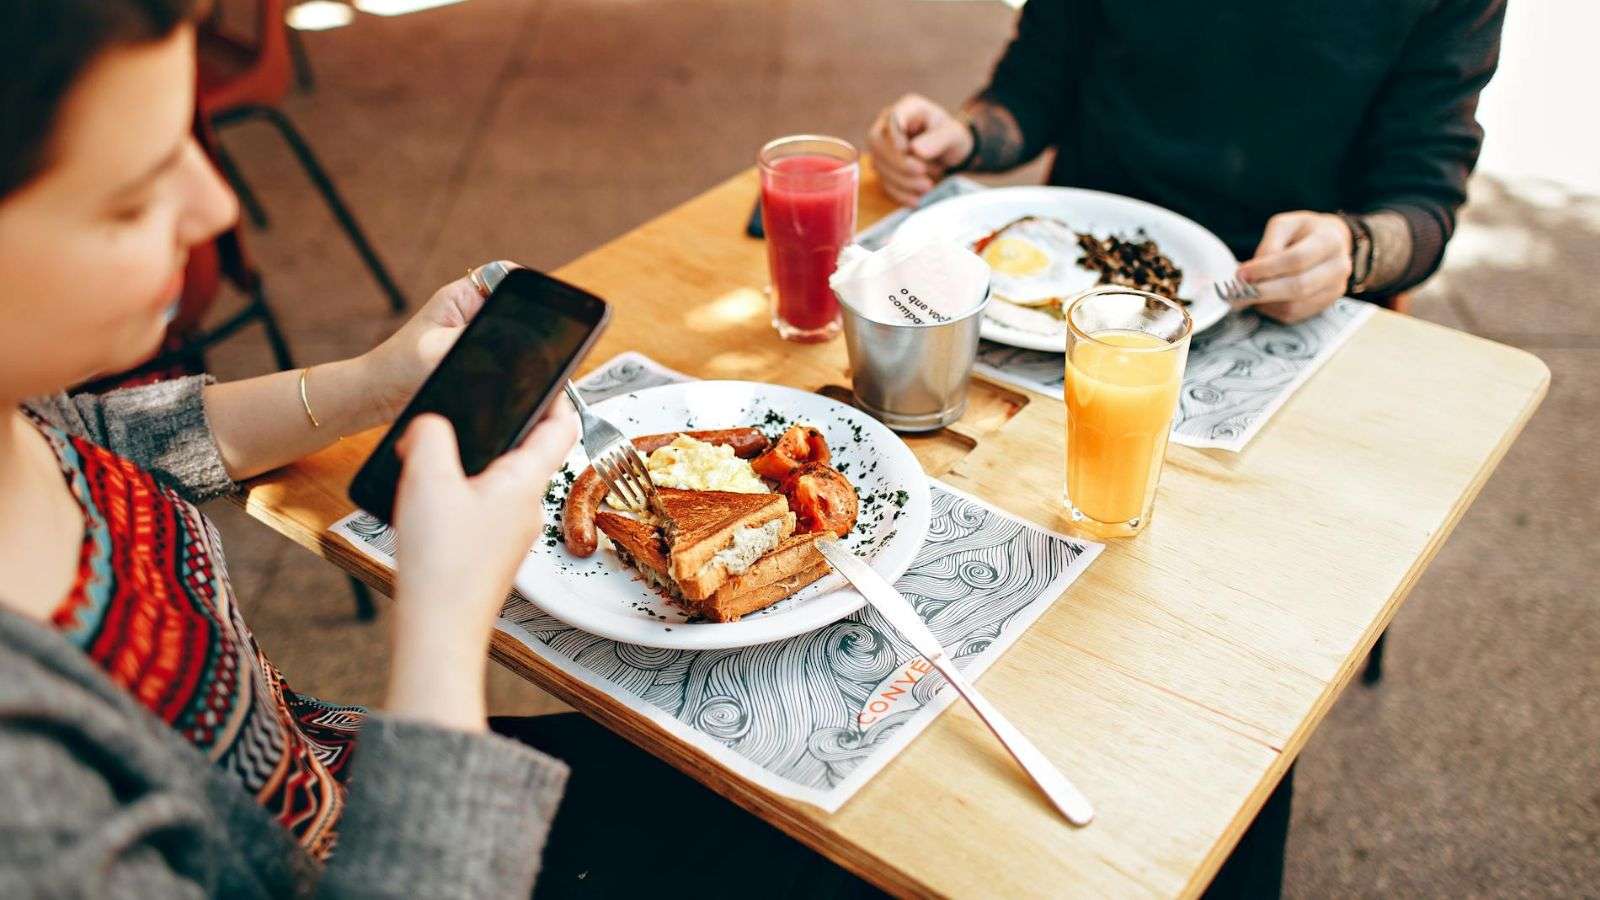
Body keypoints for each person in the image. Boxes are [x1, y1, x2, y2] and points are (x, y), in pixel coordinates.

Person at [0, 2, 875, 896]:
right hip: (408, 846)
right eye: (131, 197)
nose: (217, 204)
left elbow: (107, 438)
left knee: (809, 811)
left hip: (341, 768)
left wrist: (379, 381)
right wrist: (446, 617)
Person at [868, 0, 1506, 323]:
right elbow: (1033, 90)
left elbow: (1423, 206)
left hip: (1273, 300)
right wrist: (968, 136)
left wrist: (1353, 247)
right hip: (1071, 288)